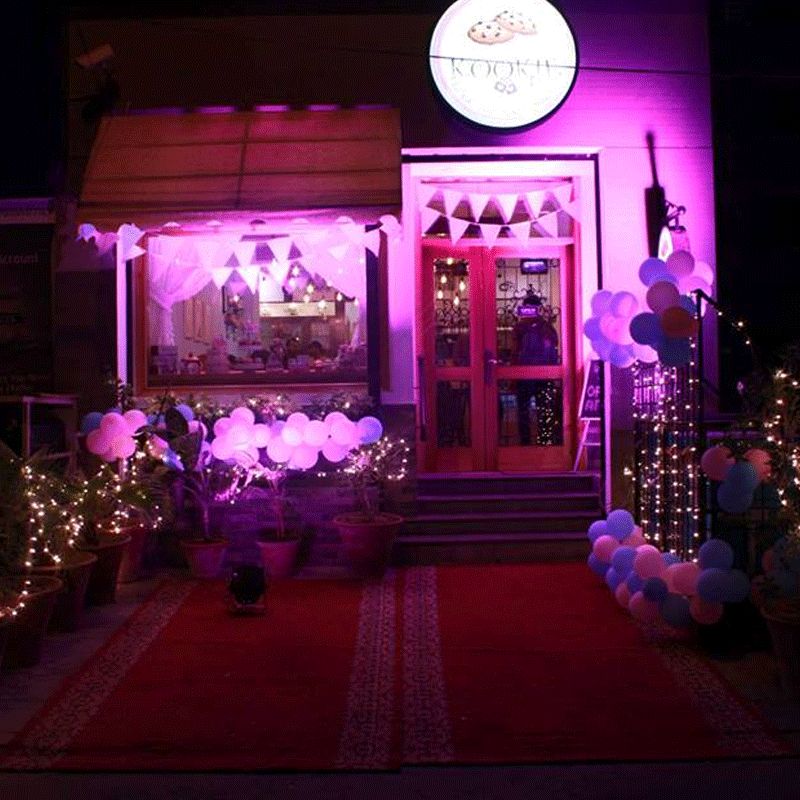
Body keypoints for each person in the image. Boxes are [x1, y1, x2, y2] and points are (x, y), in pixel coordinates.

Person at [512, 292, 559, 445]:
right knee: (544, 410)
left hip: (523, 375)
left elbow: (515, 351)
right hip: (544, 375)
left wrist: (513, 375)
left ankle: (525, 443)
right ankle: (544, 442)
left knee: (523, 411)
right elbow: (554, 346)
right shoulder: (547, 328)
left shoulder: (520, 328)